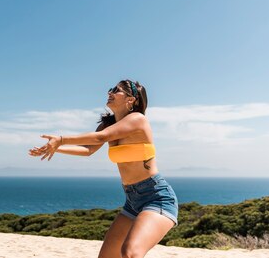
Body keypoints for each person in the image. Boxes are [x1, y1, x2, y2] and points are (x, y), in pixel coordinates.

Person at [29, 79, 178, 258]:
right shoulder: (108, 123)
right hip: (132, 200)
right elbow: (87, 149)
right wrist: (54, 148)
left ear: (131, 100)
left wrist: (61, 139)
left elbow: (100, 138)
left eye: (117, 90)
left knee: (130, 253)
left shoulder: (138, 120)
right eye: (111, 89)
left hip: (156, 197)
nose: (110, 92)